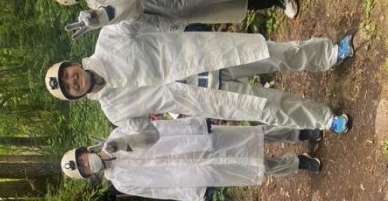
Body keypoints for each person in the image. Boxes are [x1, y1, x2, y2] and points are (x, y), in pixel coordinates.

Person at [45, 23, 354, 133]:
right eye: (70, 87)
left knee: (273, 52)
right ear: (75, 97)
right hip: (202, 97)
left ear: (72, 65)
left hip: (202, 55)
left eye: (68, 74)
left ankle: (330, 54)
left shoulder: (108, 41)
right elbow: (147, 134)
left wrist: (103, 13)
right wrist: (125, 143)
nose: (73, 81)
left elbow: (130, 11)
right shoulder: (113, 110)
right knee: (269, 109)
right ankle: (326, 120)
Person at [60, 118, 322, 201]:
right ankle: (297, 163)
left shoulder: (118, 135)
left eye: (82, 160)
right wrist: (194, 192)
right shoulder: (121, 182)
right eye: (83, 169)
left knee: (252, 135)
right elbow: (159, 191)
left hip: (194, 141)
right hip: (196, 172)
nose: (87, 164)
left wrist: (194, 125)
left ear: (84, 151)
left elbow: (158, 128)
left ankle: (299, 132)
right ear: (88, 175)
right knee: (254, 168)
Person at [58, 0, 298, 42]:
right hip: (169, 8)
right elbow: (132, 11)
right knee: (224, 5)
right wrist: (100, 16)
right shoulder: (95, 7)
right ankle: (275, 1)